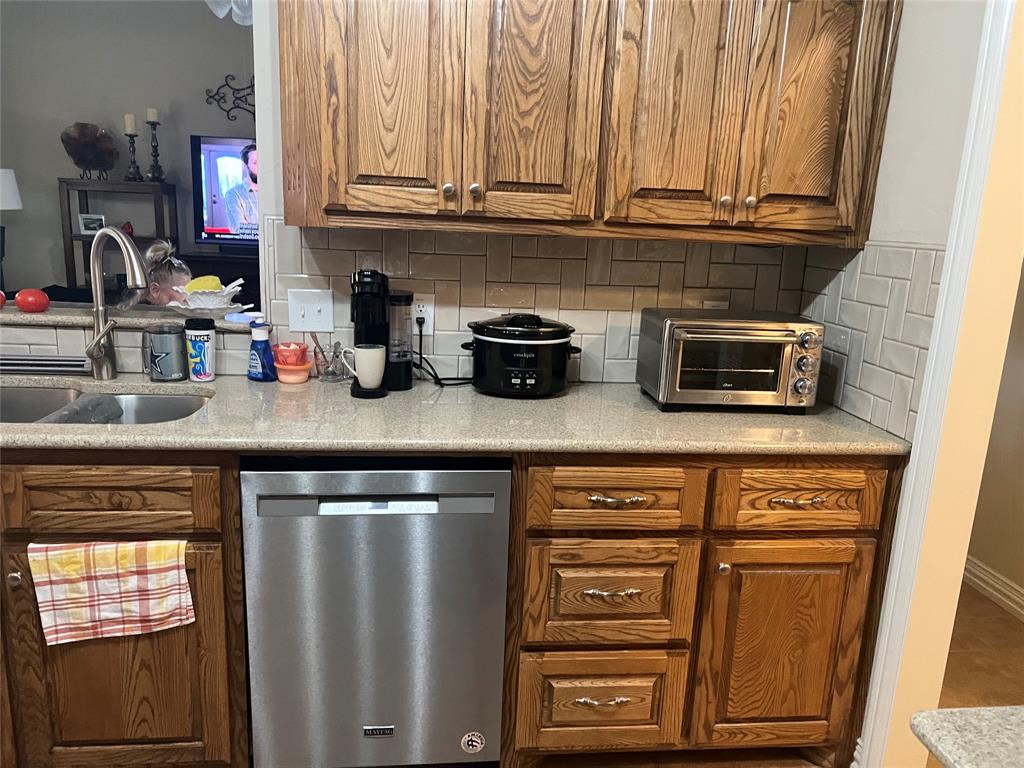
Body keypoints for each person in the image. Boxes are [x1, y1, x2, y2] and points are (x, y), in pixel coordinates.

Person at [142, 240, 191, 305]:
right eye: (181, 291)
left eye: (190, 292)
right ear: (155, 290)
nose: (188, 299)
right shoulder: (132, 313)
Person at [225, 143, 258, 237]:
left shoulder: (272, 192)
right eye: (255, 163)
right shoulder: (233, 195)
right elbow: (240, 230)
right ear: (245, 166)